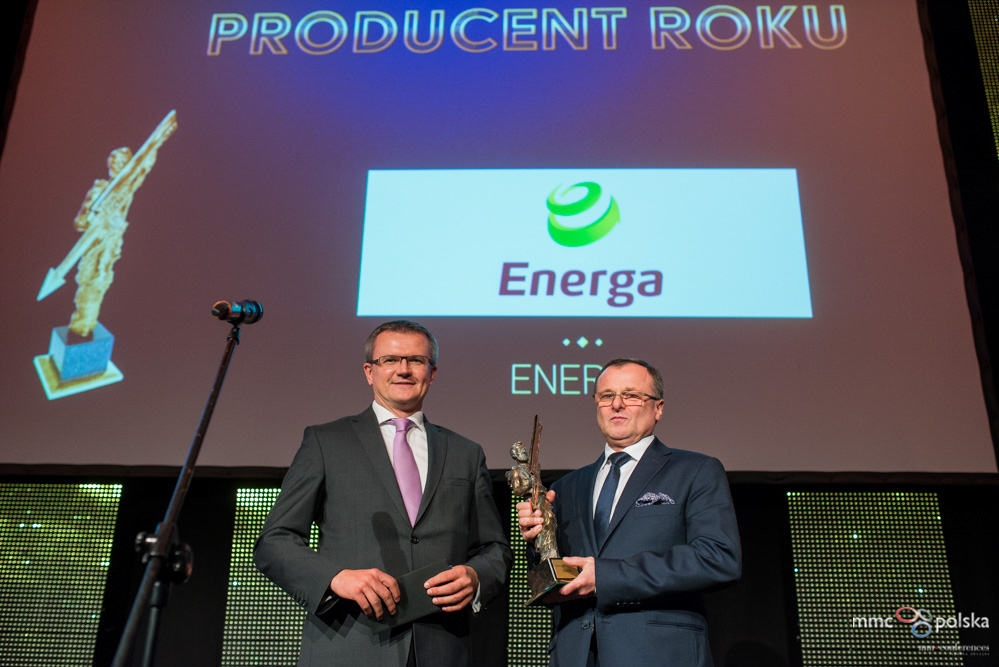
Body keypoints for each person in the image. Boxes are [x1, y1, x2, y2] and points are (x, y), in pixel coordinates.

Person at [255, 320, 512, 666]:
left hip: (442, 648)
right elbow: (275, 541)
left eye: (416, 360)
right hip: (348, 645)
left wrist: (476, 576)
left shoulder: (466, 452)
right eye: (390, 359)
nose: (403, 369)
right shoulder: (325, 442)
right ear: (369, 371)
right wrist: (335, 578)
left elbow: (494, 548)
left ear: (432, 373)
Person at [517, 358, 741, 667]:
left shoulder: (696, 470)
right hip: (576, 655)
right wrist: (536, 540)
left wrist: (606, 576)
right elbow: (555, 576)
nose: (617, 404)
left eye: (631, 395)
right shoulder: (566, 487)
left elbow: (718, 558)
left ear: (658, 408)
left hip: (658, 654)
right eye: (607, 395)